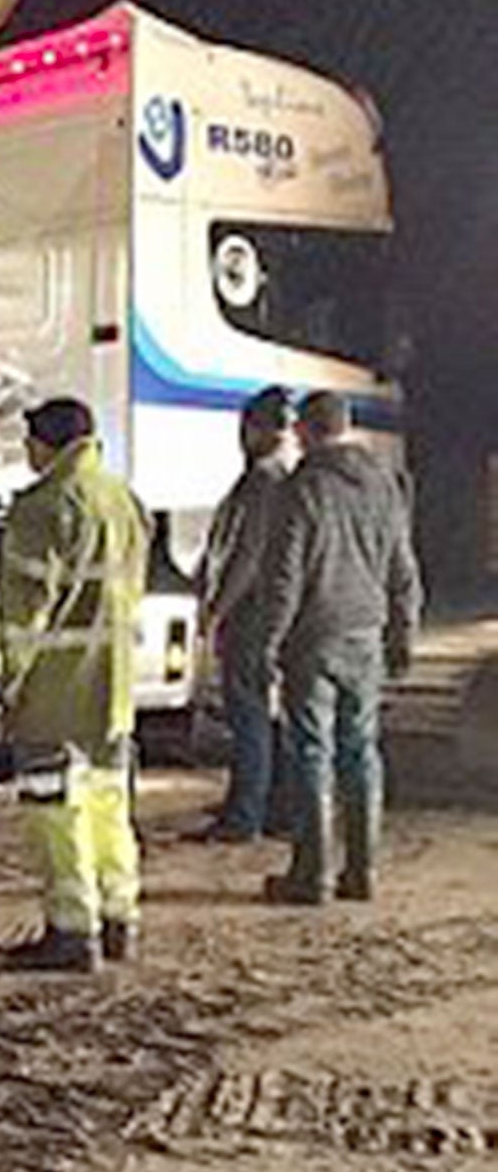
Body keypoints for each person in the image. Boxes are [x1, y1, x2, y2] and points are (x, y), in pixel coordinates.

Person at [0, 397, 151, 971]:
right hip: (113, 688)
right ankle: (119, 919)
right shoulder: (122, 499)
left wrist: (4, 683)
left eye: (29, 441)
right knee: (110, 803)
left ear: (49, 444)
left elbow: (25, 614)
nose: (26, 452)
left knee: (55, 808)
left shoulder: (42, 507)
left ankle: (71, 930)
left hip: (56, 693)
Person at [259, 391, 422, 905]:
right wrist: (403, 634)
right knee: (362, 751)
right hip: (365, 636)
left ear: (305, 431)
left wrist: (269, 641)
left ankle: (312, 874)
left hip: (314, 637)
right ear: (346, 427)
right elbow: (403, 571)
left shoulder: (301, 488)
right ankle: (362, 869)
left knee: (311, 751)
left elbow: (285, 575)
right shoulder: (383, 486)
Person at [197, 386, 301, 841]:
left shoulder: (263, 481)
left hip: (252, 615)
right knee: (266, 715)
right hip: (265, 612)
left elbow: (249, 556)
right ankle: (277, 807)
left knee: (249, 716)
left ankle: (245, 815)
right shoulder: (281, 477)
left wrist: (218, 609)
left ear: (258, 430)